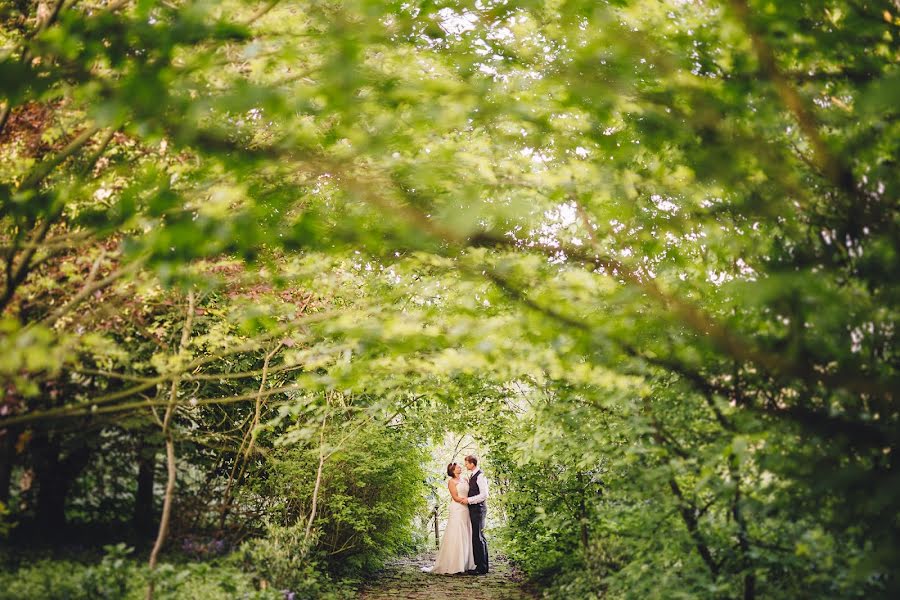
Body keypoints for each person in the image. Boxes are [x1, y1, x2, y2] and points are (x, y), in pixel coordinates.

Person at [424, 462, 476, 574]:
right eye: (458, 467)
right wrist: (466, 501)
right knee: (456, 533)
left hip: (466, 509)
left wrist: (470, 501)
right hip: (457, 508)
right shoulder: (451, 482)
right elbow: (455, 497)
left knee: (465, 532)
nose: (460, 468)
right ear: (453, 470)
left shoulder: (466, 480)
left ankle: (465, 563)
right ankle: (454, 564)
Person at [460, 455, 489, 574]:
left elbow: (484, 495)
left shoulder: (480, 475)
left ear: (472, 463)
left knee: (478, 537)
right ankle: (482, 566)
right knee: (477, 537)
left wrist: (469, 500)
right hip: (474, 509)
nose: (465, 466)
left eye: (466, 463)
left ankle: (481, 568)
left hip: (478, 509)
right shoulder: (473, 475)